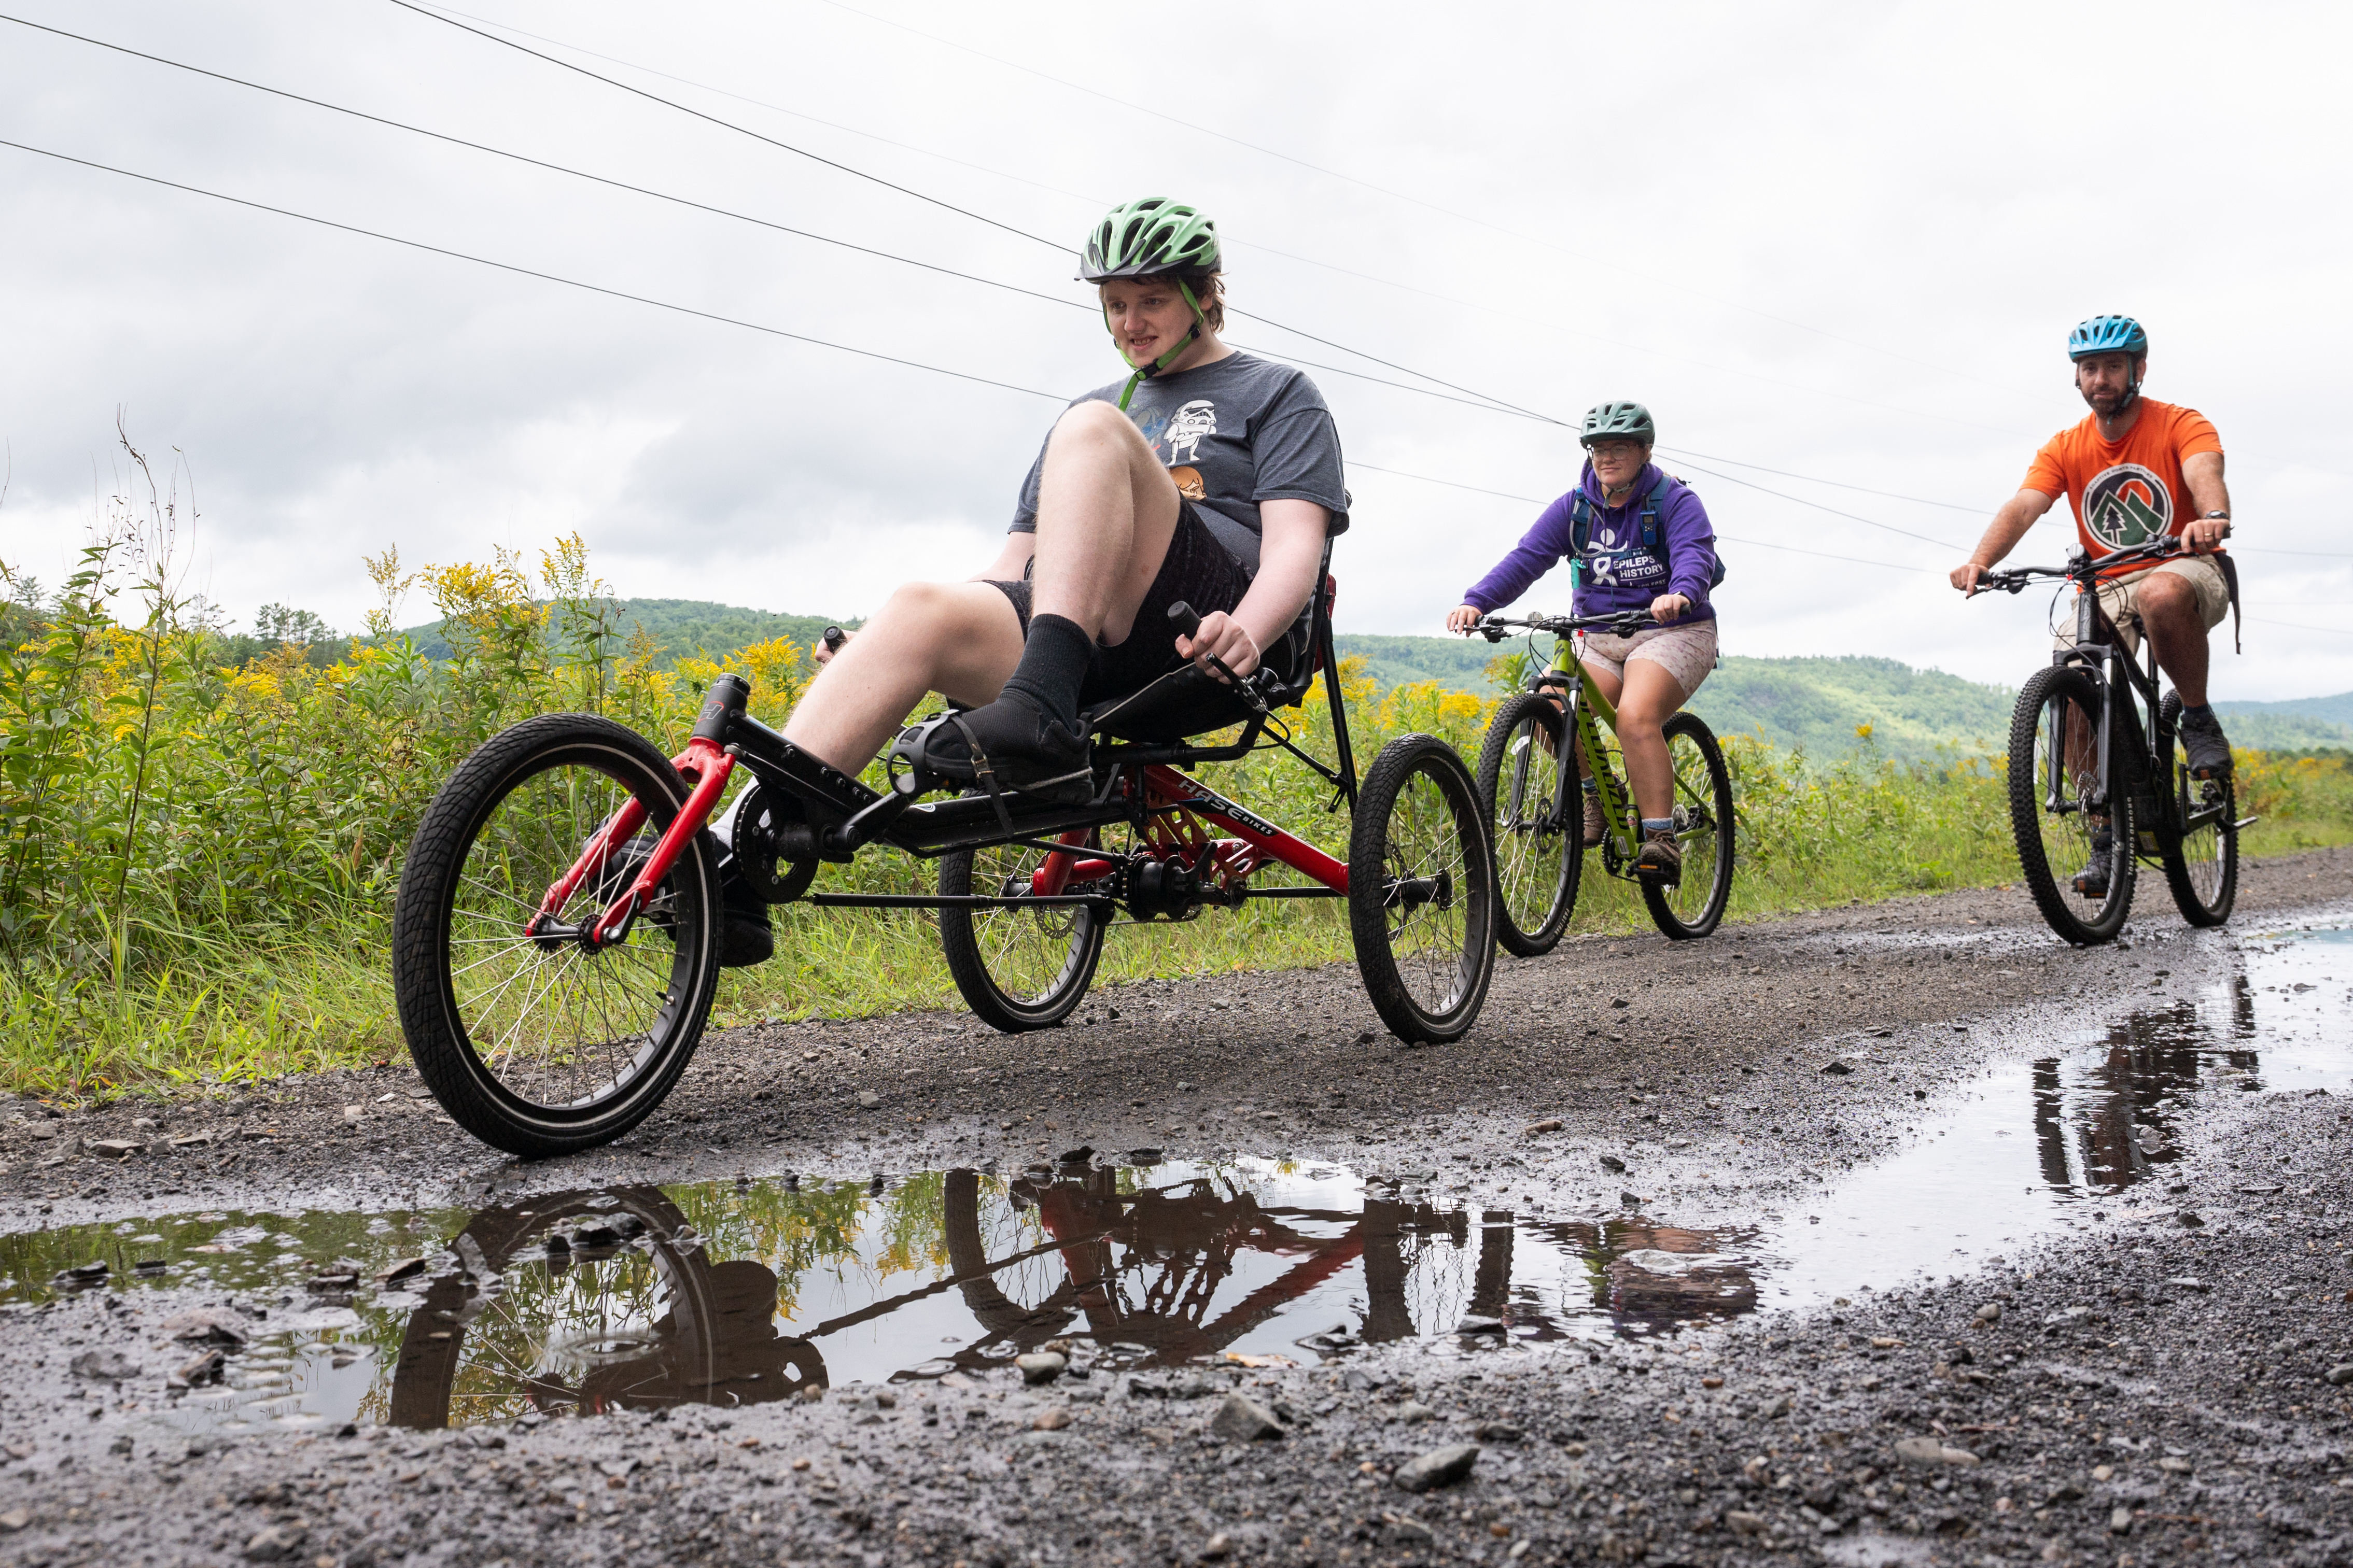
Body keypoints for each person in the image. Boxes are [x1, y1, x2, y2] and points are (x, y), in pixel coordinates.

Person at [771, 195, 1347, 826]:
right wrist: (877, 646)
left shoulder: (1277, 393)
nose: (1131, 322)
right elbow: (1016, 564)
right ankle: (732, 858)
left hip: (1201, 629)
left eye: (1151, 300)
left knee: (1094, 427)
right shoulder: (1089, 411)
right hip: (1081, 641)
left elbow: (1296, 546)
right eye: (1115, 304)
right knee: (917, 609)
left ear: (1204, 296)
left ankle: (1040, 712)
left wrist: (1249, 630)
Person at [1950, 314, 2235, 897]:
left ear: (2138, 370)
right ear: (2076, 379)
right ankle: (2105, 832)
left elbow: (2203, 469)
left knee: (2158, 594)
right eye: (2088, 370)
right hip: (2105, 581)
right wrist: (1980, 560)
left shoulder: (2181, 423)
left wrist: (2208, 520)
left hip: (2183, 567)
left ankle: (2197, 718)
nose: (2099, 379)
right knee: (2073, 664)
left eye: (2111, 367)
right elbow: (2024, 505)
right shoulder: (2065, 446)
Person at [1445, 402, 1720, 883]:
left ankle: (1660, 838)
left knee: (1636, 717)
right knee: (1552, 707)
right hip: (1599, 632)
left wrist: (1680, 593)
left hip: (1673, 630)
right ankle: (1597, 793)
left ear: (1645, 451)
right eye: (1598, 448)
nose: (1606, 457)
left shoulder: (1674, 501)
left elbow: (1694, 553)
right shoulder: (1575, 507)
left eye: (1619, 447)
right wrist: (1478, 601)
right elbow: (1527, 558)